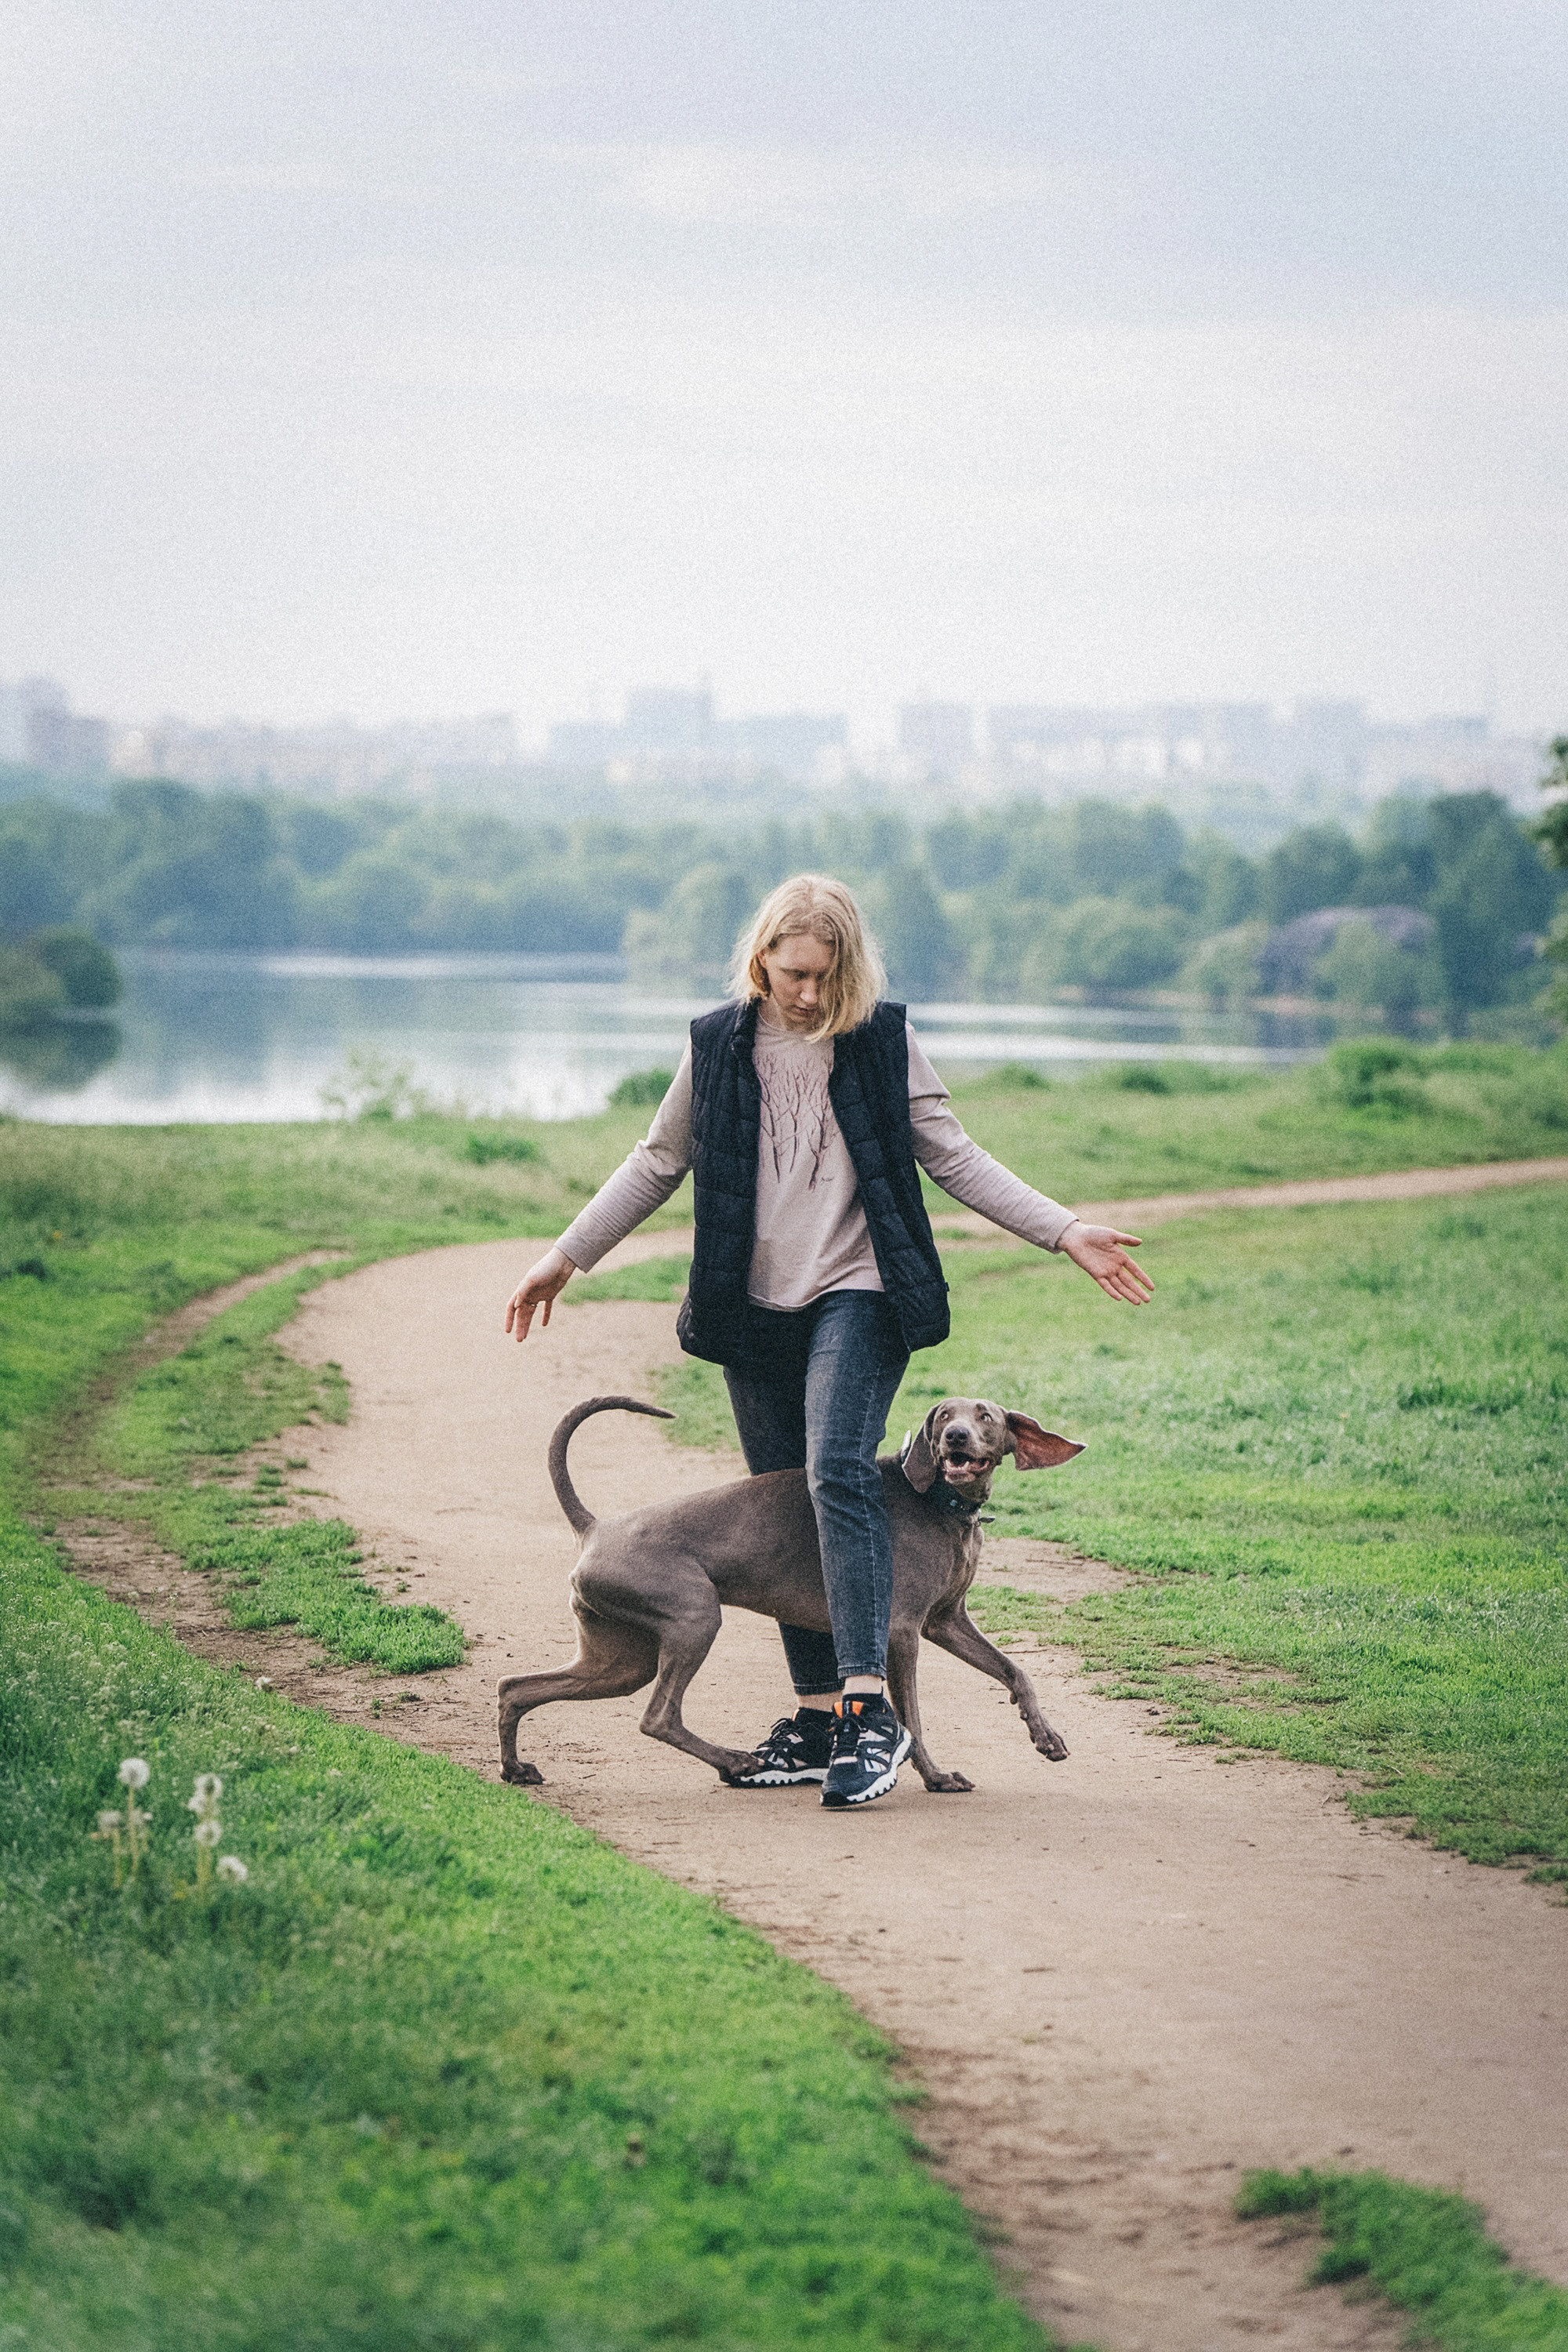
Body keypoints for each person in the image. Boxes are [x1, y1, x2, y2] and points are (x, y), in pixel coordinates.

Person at [505, 873, 1153, 1808]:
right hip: (751, 1310)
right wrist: (567, 1256)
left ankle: (864, 1714)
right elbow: (657, 1159)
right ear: (760, 959)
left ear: (850, 967)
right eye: (792, 973)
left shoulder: (881, 1041)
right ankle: (816, 1720)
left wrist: (1061, 1230)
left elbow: (952, 1152)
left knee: (835, 1474)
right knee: (784, 1518)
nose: (808, 994)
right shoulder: (719, 1045)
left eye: (826, 974)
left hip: (861, 1291)